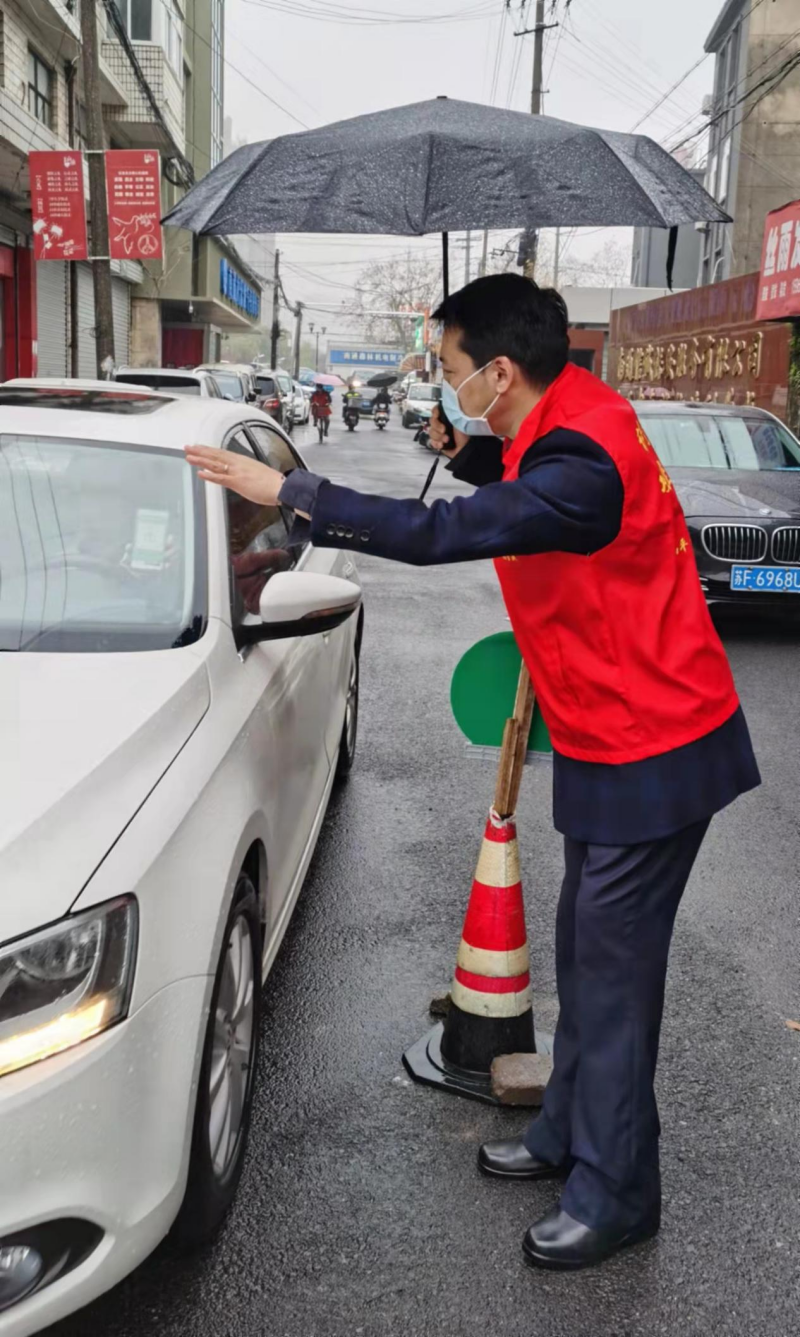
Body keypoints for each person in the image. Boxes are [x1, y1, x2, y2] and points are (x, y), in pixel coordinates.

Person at [185, 274, 760, 1273]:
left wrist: (296, 493)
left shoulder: (582, 463)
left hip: (654, 748)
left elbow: (447, 532)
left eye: (451, 369)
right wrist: (469, 449)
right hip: (610, 735)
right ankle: (568, 1132)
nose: (443, 383)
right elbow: (521, 472)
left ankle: (618, 1191)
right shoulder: (565, 416)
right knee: (587, 955)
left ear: (499, 370)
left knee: (614, 985)